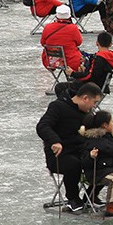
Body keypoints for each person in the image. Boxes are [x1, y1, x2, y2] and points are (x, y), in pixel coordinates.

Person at [36, 82, 104, 212]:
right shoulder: (58, 107)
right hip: (59, 155)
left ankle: (91, 195)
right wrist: (54, 141)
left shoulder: (87, 113)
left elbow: (101, 125)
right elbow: (43, 126)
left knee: (105, 159)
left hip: (80, 151)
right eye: (94, 102)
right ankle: (72, 197)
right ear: (85, 98)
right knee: (74, 163)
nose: (95, 106)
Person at [41, 4, 85, 73]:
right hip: (70, 60)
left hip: (52, 61)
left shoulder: (47, 27)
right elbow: (79, 42)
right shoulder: (73, 28)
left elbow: (43, 43)